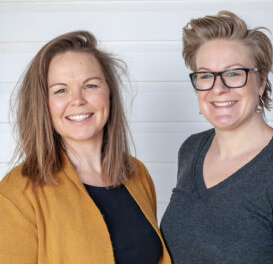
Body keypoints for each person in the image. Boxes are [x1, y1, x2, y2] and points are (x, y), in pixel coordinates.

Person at [0, 31, 171, 264]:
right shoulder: (18, 192)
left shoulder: (136, 173)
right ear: (43, 104)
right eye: (60, 90)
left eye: (90, 85)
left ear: (109, 93)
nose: (78, 100)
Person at [160, 11, 273, 264]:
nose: (218, 88)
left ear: (261, 82)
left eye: (234, 73)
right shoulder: (191, 150)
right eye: (205, 75)